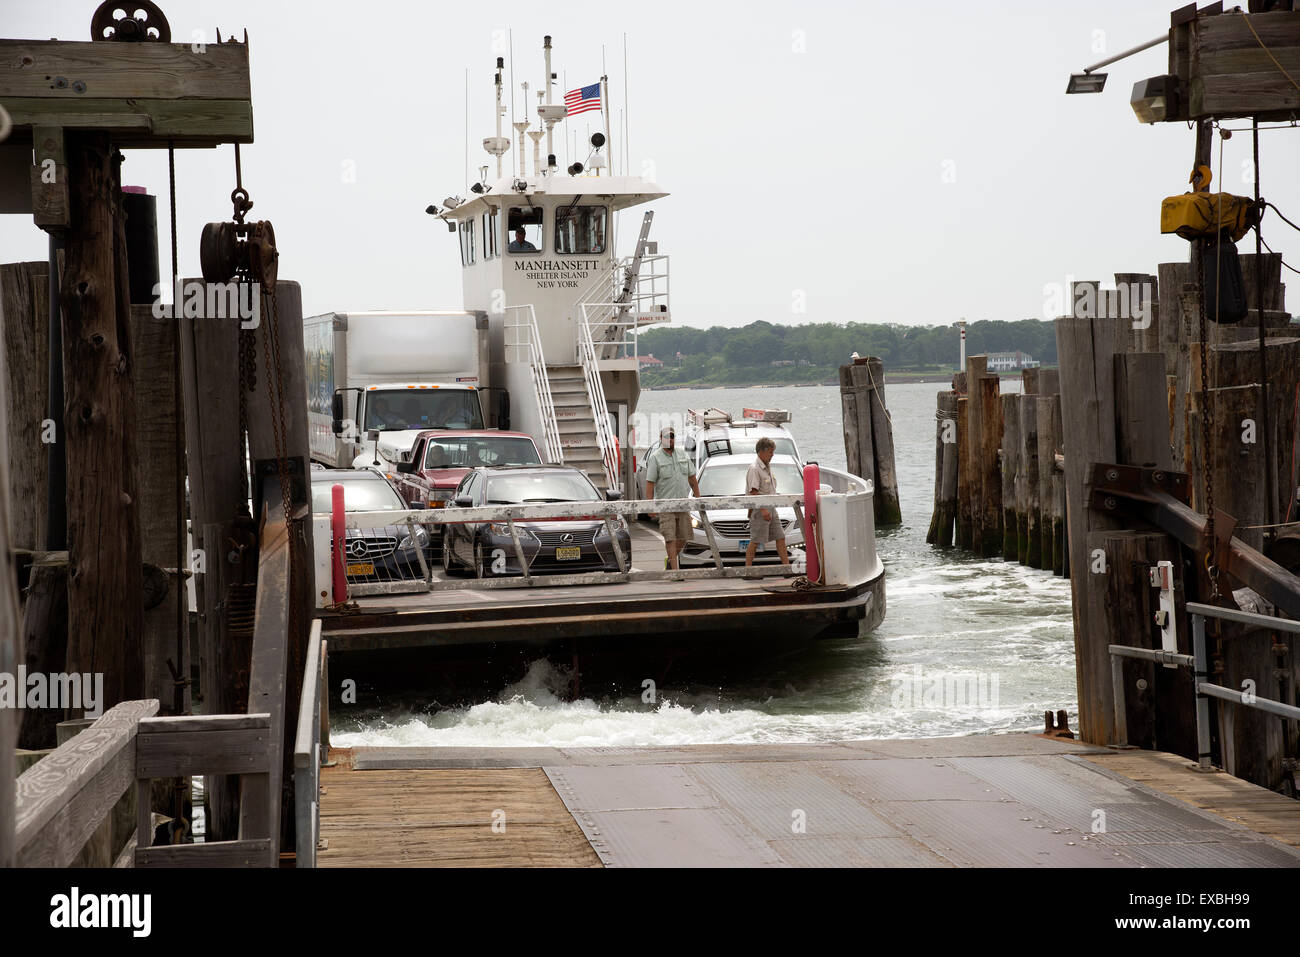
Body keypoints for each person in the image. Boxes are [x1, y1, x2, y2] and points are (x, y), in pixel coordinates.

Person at [644, 426, 700, 573]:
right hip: (665, 506)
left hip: (683, 505)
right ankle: (675, 572)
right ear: (661, 439)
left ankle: (670, 560)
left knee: (684, 537)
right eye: (667, 437)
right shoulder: (655, 458)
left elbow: (692, 478)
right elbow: (650, 484)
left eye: (672, 436)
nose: (670, 439)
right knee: (670, 538)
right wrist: (650, 507)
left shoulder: (683, 454)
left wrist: (699, 499)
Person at [744, 436, 790, 568]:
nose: (772, 455)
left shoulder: (766, 467)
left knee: (780, 537)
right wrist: (763, 510)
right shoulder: (755, 468)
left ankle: (786, 568)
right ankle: (748, 570)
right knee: (756, 541)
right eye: (770, 452)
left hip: (771, 507)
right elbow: (753, 492)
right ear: (761, 452)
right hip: (760, 509)